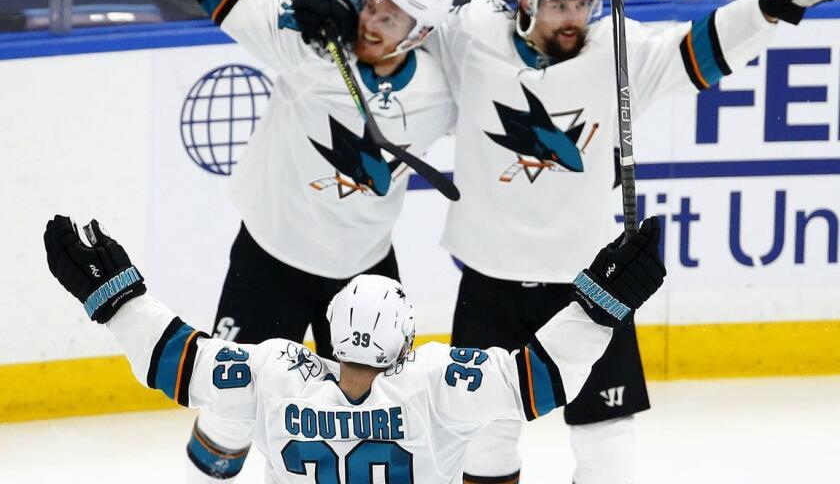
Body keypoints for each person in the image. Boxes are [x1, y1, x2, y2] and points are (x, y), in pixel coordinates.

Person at [420, 0, 840, 484]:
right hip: (490, 285)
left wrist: (774, 3)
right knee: (483, 445)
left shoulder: (618, 52)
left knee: (608, 448)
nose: (573, 19)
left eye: (582, 4)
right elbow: (404, 27)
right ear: (524, 1)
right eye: (557, 5)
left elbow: (702, 49)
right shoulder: (473, 34)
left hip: (593, 284)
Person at [116, 0, 456, 481]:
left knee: (378, 415)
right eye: (372, 2)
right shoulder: (314, 45)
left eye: (390, 18)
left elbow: (502, 71)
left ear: (418, 36)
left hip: (363, 279)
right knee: (229, 412)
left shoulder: (443, 90)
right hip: (268, 262)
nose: (370, 20)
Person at [42, 213, 666, 484]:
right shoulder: (433, 376)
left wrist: (117, 300)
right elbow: (543, 379)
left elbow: (173, 359)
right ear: (405, 338)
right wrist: (596, 306)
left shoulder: (274, 368)